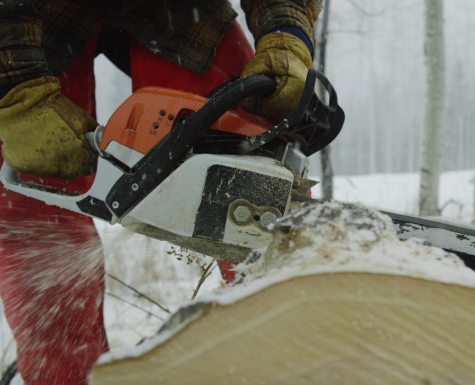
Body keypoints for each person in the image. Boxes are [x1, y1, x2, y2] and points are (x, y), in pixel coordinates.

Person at [0, 0, 321, 384]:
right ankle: (65, 375)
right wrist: (15, 92)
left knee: (254, 156)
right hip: (21, 23)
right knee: (30, 209)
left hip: (175, 10)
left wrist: (287, 34)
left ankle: (300, 356)